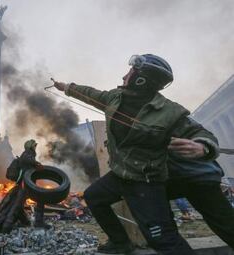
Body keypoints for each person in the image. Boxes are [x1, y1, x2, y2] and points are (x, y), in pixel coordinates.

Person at [53, 54, 213, 254]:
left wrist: (202, 146)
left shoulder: (169, 111)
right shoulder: (115, 97)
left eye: (130, 72)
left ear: (141, 79)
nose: (124, 76)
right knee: (94, 196)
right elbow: (91, 93)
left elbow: (201, 133)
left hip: (145, 181)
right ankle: (120, 242)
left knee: (162, 239)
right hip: (121, 173)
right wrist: (66, 87)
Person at [166, 122, 234, 249]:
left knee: (227, 225)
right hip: (159, 180)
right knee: (163, 234)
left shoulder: (166, 110)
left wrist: (203, 145)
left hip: (198, 175)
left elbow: (199, 132)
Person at [0, 139, 44, 233]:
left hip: (24, 184)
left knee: (16, 203)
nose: (35, 147)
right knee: (17, 205)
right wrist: (36, 163)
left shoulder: (29, 154)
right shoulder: (28, 153)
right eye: (34, 145)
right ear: (30, 146)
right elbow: (26, 159)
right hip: (25, 185)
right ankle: (6, 227)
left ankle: (25, 221)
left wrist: (35, 164)